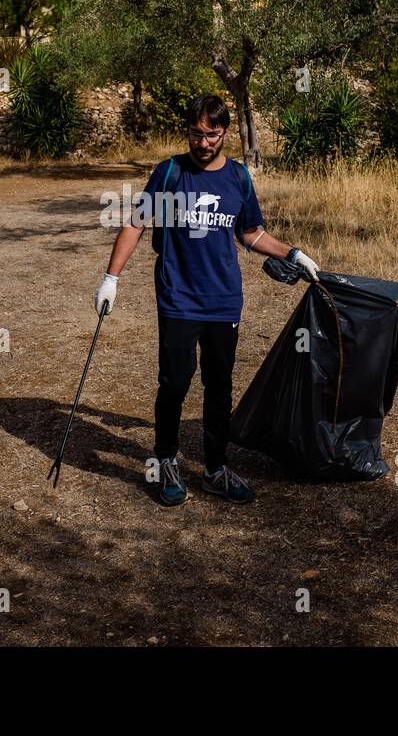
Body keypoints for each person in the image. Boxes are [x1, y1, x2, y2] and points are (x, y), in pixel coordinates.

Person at [95, 94, 319, 506]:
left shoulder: (238, 178)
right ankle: (165, 462)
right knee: (175, 383)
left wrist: (292, 253)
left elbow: (250, 233)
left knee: (219, 388)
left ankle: (215, 469)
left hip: (224, 301)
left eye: (211, 135)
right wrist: (111, 278)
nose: (203, 143)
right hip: (178, 299)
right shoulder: (169, 173)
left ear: (225, 133)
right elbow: (136, 223)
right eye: (196, 134)